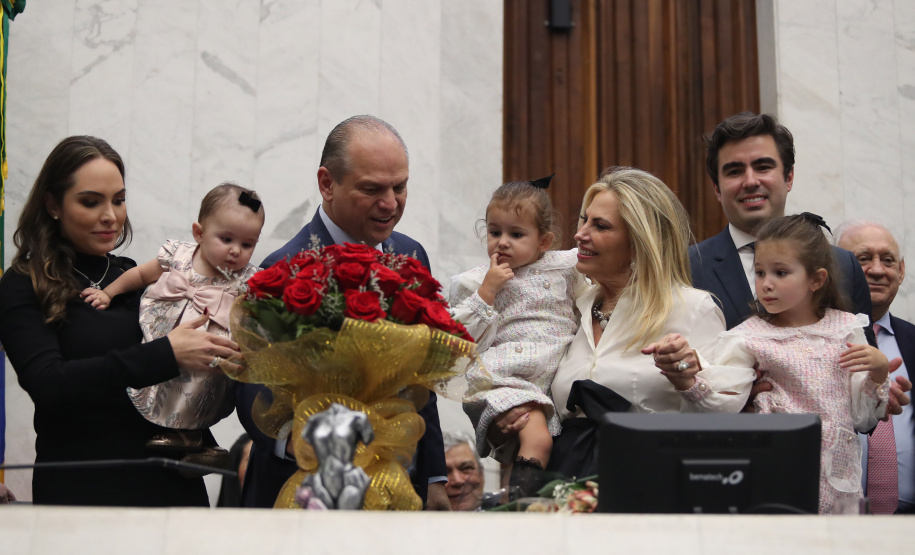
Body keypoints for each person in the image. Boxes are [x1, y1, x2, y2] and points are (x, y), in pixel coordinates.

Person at [0, 136, 239, 506]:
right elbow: (48, 384)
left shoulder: (130, 274)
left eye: (119, 199)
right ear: (52, 204)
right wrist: (166, 353)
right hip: (87, 488)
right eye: (91, 201)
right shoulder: (22, 283)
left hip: (170, 484)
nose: (110, 215)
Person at [486, 167, 756, 480]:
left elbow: (723, 420)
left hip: (648, 488)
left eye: (600, 225)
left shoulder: (692, 308)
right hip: (564, 493)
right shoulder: (571, 305)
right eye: (585, 219)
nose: (580, 234)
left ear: (638, 242)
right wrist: (503, 421)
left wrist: (687, 377)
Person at [238, 115, 450, 510]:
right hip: (301, 490)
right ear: (326, 183)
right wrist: (314, 449)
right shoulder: (282, 268)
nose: (390, 204)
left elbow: (423, 380)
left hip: (400, 487)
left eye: (400, 187)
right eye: (371, 189)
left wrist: (434, 474)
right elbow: (253, 388)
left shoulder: (412, 255)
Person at [705, 214, 890, 513]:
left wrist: (878, 372)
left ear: (816, 279)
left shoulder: (845, 328)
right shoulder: (748, 336)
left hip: (838, 482)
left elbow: (863, 417)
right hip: (775, 472)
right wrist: (689, 380)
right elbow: (721, 399)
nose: (766, 284)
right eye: (760, 272)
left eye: (780, 272)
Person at [81, 183, 264, 467]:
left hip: (208, 356)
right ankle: (189, 441)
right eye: (226, 239)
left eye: (247, 244)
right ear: (199, 233)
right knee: (160, 379)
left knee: (198, 390)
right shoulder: (178, 255)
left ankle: (195, 439)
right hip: (165, 336)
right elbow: (140, 274)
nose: (235, 252)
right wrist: (108, 292)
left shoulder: (247, 279)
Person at [689, 112, 874, 336]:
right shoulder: (686, 268)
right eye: (735, 171)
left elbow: (864, 361)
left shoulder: (844, 265)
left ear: (789, 178)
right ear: (717, 188)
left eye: (763, 167)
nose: (750, 181)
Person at [451, 176, 579, 482]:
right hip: (506, 379)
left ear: (544, 241)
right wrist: (487, 292)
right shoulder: (474, 281)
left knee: (539, 450)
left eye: (516, 233)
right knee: (538, 441)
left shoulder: (566, 268)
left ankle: (519, 505)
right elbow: (458, 342)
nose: (503, 241)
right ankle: (522, 510)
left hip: (552, 384)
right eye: (495, 232)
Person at [836, 220, 915, 514]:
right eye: (863, 258)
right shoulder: (812, 339)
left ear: (902, 271)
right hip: (835, 521)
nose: (878, 270)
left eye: (888, 260)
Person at [443, 431, 485, 511]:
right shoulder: (415, 519)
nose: (457, 481)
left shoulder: (508, 513)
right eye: (444, 472)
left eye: (466, 468)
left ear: (481, 473)